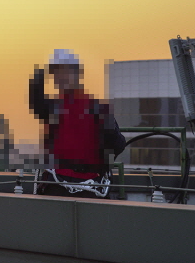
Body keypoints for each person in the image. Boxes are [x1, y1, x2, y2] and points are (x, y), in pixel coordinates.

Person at [29, 49, 126, 198]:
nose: (61, 77)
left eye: (65, 72)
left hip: (84, 185)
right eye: (57, 73)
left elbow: (116, 144)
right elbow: (36, 100)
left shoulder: (95, 108)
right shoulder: (54, 106)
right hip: (69, 185)